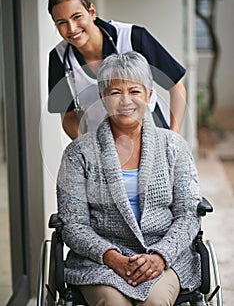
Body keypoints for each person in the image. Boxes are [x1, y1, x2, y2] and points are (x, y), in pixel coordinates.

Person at [56, 52, 201, 306]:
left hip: (165, 255)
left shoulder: (173, 147)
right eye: (114, 92)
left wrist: (160, 256)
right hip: (101, 260)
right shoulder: (78, 153)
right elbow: (73, 224)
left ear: (149, 95)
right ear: (102, 97)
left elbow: (188, 213)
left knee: (155, 302)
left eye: (134, 91)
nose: (125, 101)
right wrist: (112, 257)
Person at [48, 0, 186, 139]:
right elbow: (68, 116)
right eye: (62, 23)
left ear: (92, 12)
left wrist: (173, 140)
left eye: (77, 17)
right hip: (102, 147)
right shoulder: (58, 58)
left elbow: (176, 88)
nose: (72, 28)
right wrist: (87, 147)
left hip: (153, 137)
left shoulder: (133, 37)